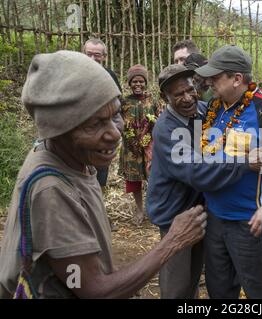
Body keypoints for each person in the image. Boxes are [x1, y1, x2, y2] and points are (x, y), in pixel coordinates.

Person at [0, 51, 207, 299]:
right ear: (58, 128)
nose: (115, 133)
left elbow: (74, 271)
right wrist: (171, 242)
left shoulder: (75, 160)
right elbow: (94, 291)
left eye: (116, 115)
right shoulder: (51, 189)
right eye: (94, 124)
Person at [146, 64, 262, 298]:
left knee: (194, 278)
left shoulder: (205, 112)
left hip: (201, 211)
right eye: (177, 95)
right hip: (174, 214)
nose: (186, 98)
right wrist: (245, 163)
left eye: (189, 89)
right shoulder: (167, 129)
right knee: (177, 286)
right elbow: (196, 171)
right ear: (165, 98)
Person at [194, 45, 262, 299]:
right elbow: (201, 152)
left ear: (237, 78)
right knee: (219, 288)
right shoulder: (212, 107)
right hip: (215, 215)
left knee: (258, 289)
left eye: (215, 77)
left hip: (250, 221)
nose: (209, 82)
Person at [82, 38, 122, 192]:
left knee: (100, 168)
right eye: (89, 54)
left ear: (104, 57)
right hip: (81, 131)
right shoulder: (73, 75)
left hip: (103, 130)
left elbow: (118, 103)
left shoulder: (109, 76)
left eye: (97, 55)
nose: (93, 58)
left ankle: (98, 200)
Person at [119, 64, 157, 225]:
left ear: (145, 83)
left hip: (149, 147)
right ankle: (140, 209)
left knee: (154, 178)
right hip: (131, 148)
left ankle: (153, 210)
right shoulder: (124, 102)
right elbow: (118, 122)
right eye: (134, 81)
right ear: (129, 83)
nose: (138, 84)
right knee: (134, 181)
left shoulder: (152, 101)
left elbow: (158, 121)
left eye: (141, 81)